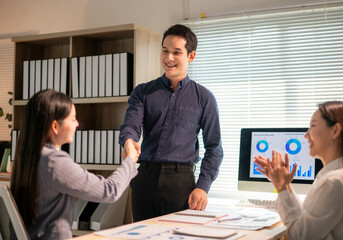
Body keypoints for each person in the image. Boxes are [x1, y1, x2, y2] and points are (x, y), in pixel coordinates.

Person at [120, 24, 223, 221]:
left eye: (176, 52)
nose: (169, 58)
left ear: (191, 56)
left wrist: (202, 186)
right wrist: (128, 142)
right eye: (165, 51)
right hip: (145, 180)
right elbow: (131, 126)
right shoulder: (143, 92)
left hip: (180, 183)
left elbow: (215, 148)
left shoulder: (204, 98)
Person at [10, 89, 139, 240]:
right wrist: (129, 160)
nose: (77, 124)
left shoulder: (28, 156)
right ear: (55, 126)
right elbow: (109, 190)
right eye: (73, 119)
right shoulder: (54, 162)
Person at [254, 101, 343, 240]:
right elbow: (304, 217)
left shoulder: (336, 181)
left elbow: (301, 235)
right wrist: (284, 185)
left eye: (312, 126)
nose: (306, 135)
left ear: (335, 130)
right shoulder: (333, 176)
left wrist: (281, 187)